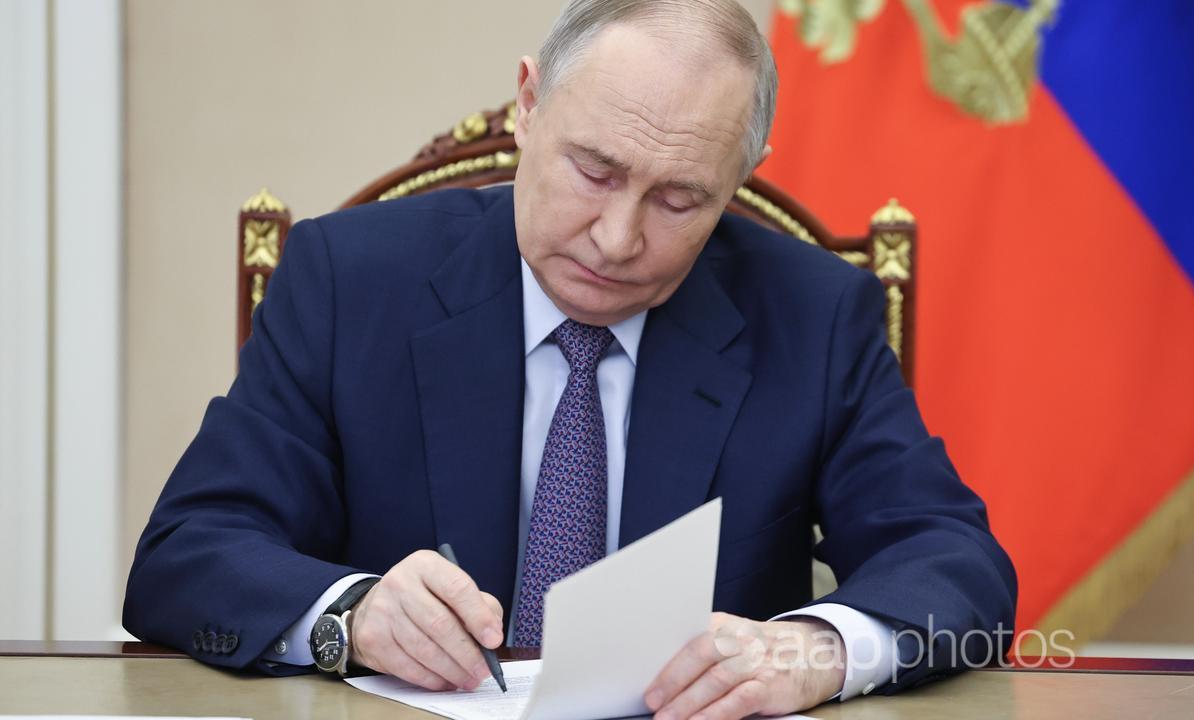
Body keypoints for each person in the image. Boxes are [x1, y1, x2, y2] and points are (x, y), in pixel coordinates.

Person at [124, 1, 1017, 718]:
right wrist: (350, 616)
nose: (618, 238)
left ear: (738, 181)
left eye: (678, 199)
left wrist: (817, 649)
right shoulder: (348, 282)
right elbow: (187, 553)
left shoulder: (813, 316)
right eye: (594, 170)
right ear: (529, 104)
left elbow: (954, 559)